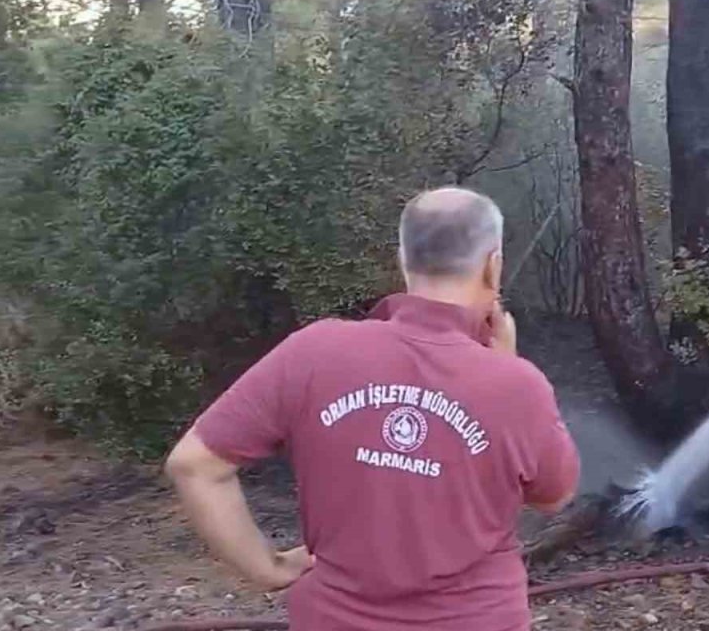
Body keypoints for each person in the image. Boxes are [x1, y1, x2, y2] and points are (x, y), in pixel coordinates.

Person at [164, 187, 581, 631]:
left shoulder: (314, 351)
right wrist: (508, 367)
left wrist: (266, 568)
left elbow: (195, 465)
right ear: (493, 265)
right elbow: (553, 495)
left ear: (403, 259)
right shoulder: (515, 384)